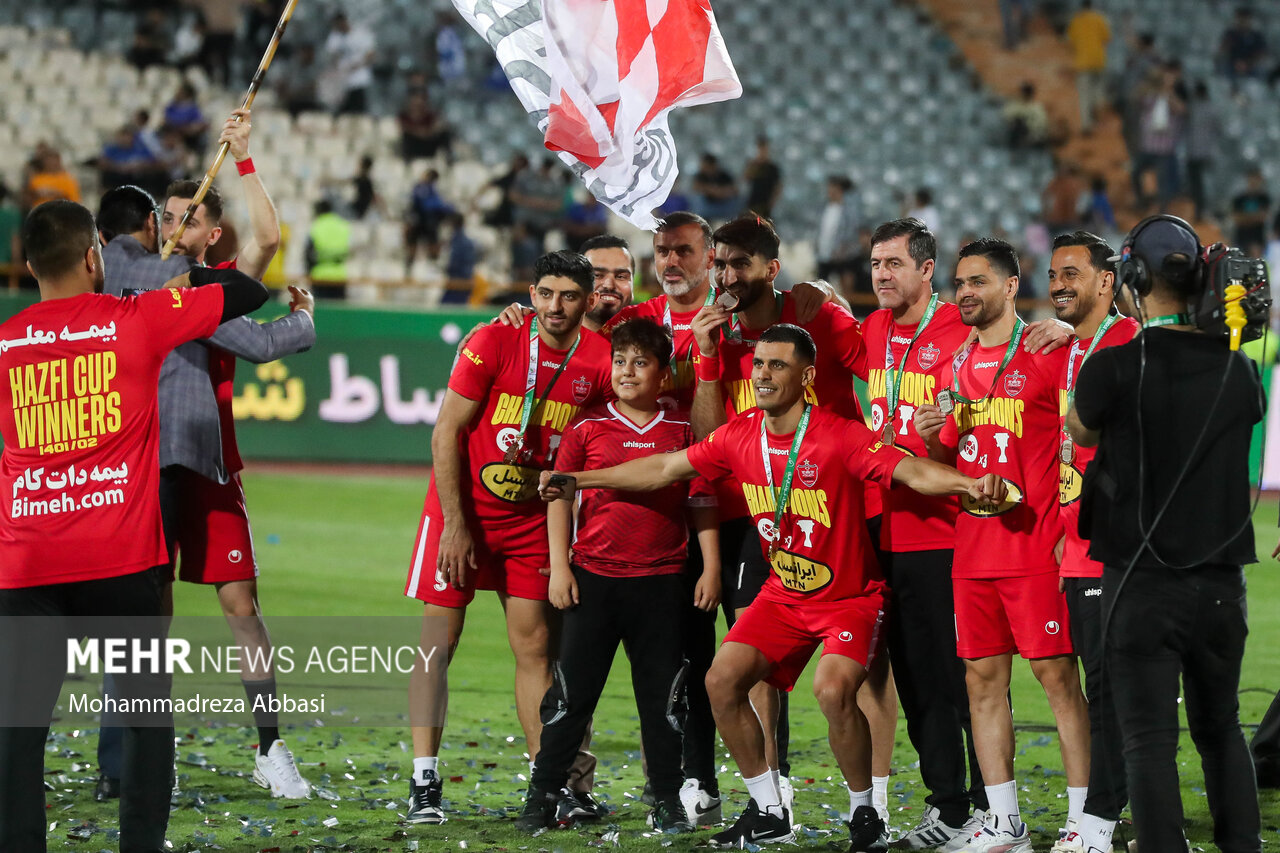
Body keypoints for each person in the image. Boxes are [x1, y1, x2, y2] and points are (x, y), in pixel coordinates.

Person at [540, 324, 1009, 851]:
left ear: (807, 376)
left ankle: (864, 814)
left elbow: (912, 472)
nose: (762, 374)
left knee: (832, 691)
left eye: (777, 365)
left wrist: (971, 484)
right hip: (783, 597)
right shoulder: (740, 435)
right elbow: (665, 467)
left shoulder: (838, 434)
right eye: (759, 364)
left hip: (848, 599)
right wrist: (581, 479)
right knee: (721, 680)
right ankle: (767, 809)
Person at [0, 199, 268, 853]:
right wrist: (179, 278)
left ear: (28, 264)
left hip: (28, 562)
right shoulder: (138, 318)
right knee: (148, 718)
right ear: (94, 257)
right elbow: (249, 290)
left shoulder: (6, 344)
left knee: (19, 727)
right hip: (122, 560)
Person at [95, 179, 314, 800]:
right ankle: (132, 756)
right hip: (148, 463)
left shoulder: (210, 284)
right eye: (164, 218)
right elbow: (266, 341)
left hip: (207, 461)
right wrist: (302, 321)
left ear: (211, 235)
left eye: (186, 220)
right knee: (147, 614)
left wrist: (243, 157)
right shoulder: (136, 275)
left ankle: (270, 748)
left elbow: (267, 244)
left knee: (241, 607)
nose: (172, 228)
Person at [689, 214, 898, 824]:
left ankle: (874, 803)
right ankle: (771, 801)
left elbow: (883, 376)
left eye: (738, 264)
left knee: (868, 669)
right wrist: (705, 362)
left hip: (852, 511)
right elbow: (707, 446)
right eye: (719, 264)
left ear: (770, 270)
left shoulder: (819, 316)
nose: (725, 276)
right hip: (774, 513)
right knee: (754, 658)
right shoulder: (717, 336)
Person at [1066, 215, 1263, 853]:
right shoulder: (1241, 373)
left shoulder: (1113, 369)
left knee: (1147, 739)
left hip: (1139, 586)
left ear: (1133, 277)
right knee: (1221, 728)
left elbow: (1080, 432)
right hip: (1218, 588)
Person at [403, 251, 613, 825]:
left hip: (531, 522)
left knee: (535, 650)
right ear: (531, 292)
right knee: (436, 645)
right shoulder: (496, 341)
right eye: (545, 293)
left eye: (569, 296)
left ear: (587, 301)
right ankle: (424, 783)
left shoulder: (598, 360)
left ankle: (548, 785)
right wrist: (453, 523)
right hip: (463, 510)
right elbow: (447, 431)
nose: (555, 307)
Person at [914, 239, 1090, 853]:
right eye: (960, 282)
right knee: (982, 683)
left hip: (1036, 547)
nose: (965, 292)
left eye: (979, 281)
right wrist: (934, 438)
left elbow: (1089, 421)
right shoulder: (949, 367)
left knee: (1057, 680)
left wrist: (1065, 326)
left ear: (1012, 287)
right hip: (973, 550)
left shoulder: (1047, 352)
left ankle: (1082, 820)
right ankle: (1003, 822)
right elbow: (946, 457)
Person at [515, 318, 718, 833]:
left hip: (662, 582)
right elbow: (559, 498)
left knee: (664, 698)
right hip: (594, 580)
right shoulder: (586, 427)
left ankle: (668, 800)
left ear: (663, 373)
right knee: (570, 696)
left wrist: (710, 566)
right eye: (620, 361)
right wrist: (560, 567)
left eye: (641, 362)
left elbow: (700, 500)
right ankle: (541, 796)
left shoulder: (682, 430)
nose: (628, 372)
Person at [851, 218, 990, 849]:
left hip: (946, 531)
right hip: (885, 528)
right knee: (916, 679)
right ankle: (949, 808)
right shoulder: (872, 329)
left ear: (927, 269)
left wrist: (1060, 329)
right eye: (875, 263)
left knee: (965, 679)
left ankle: (993, 808)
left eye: (893, 263)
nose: (881, 273)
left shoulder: (961, 329)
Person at [1047, 231, 1140, 853]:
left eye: (1072, 273)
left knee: (1114, 687)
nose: (1058, 284)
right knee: (1096, 683)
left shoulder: (1132, 343)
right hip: (1073, 549)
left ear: (1106, 282)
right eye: (1054, 274)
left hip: (1119, 548)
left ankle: (1102, 821)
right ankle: (1106, 814)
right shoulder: (1065, 349)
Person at [1066, 0, 1111, 133]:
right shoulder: (1100, 18)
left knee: (1084, 94)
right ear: (1092, 5)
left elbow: (1070, 40)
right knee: (1097, 91)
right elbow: (1107, 39)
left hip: (1083, 62)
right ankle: (1098, 113)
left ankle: (1087, 124)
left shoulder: (1076, 20)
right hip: (1099, 60)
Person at [404, 169, 457, 278]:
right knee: (414, 245)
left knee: (432, 243)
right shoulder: (420, 188)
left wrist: (447, 208)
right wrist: (447, 208)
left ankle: (433, 264)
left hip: (429, 222)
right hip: (419, 221)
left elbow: (436, 204)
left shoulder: (431, 189)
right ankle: (409, 267)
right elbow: (429, 205)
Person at [322, 12, 376, 114]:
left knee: (359, 111)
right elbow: (332, 57)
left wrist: (357, 65)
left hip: (360, 79)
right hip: (342, 81)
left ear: (345, 21)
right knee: (342, 113)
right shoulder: (334, 36)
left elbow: (371, 55)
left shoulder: (361, 33)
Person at [815, 176, 861, 295]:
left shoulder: (848, 210)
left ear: (839, 189)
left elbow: (851, 231)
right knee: (821, 285)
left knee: (844, 288)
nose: (829, 190)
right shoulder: (824, 208)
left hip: (842, 256)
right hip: (824, 254)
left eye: (831, 187)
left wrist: (842, 248)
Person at [579, 234, 634, 333]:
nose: (609, 285)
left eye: (621, 276)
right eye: (597, 275)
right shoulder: (549, 343)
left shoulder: (654, 344)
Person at [306, 199, 350, 299]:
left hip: (319, 276)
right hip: (339, 276)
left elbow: (308, 254)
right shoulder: (343, 225)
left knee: (320, 311)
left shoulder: (316, 226)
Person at [1231, 168, 1271, 257]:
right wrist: (1255, 217)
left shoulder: (1264, 198)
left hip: (1257, 238)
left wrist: (1245, 218)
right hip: (1241, 238)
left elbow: (1263, 217)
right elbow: (1236, 218)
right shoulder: (1239, 198)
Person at [691, 153, 739, 224]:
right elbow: (695, 188)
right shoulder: (700, 175)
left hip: (724, 205)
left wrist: (721, 192)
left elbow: (735, 190)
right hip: (706, 206)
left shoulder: (723, 175)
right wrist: (711, 190)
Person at [743, 137, 782, 219]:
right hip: (752, 202)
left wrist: (772, 203)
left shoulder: (772, 168)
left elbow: (778, 187)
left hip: (765, 205)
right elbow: (746, 178)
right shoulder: (753, 165)